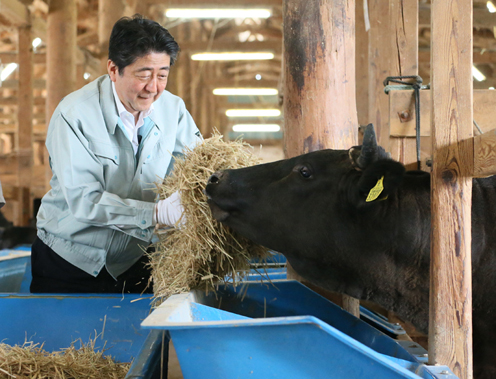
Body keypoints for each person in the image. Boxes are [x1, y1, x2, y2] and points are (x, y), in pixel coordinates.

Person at [31, 14, 202, 294]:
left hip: (137, 258)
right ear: (113, 69)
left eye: (162, 75)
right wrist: (156, 212)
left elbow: (199, 163)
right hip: (72, 259)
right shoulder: (74, 115)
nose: (154, 88)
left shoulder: (174, 110)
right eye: (144, 74)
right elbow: (85, 201)